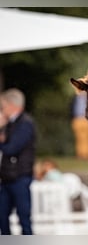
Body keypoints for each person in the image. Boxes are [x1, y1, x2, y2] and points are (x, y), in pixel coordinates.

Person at [0, 88, 36, 235]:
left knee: (24, 217)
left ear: (11, 105)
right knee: (2, 216)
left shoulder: (25, 123)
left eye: (3, 106)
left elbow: (11, 148)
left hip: (20, 177)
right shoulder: (9, 124)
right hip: (7, 178)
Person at [71, 91, 88, 159]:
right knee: (78, 138)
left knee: (87, 138)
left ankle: (87, 155)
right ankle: (80, 154)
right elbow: (71, 108)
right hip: (76, 119)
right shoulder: (74, 98)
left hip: (86, 119)